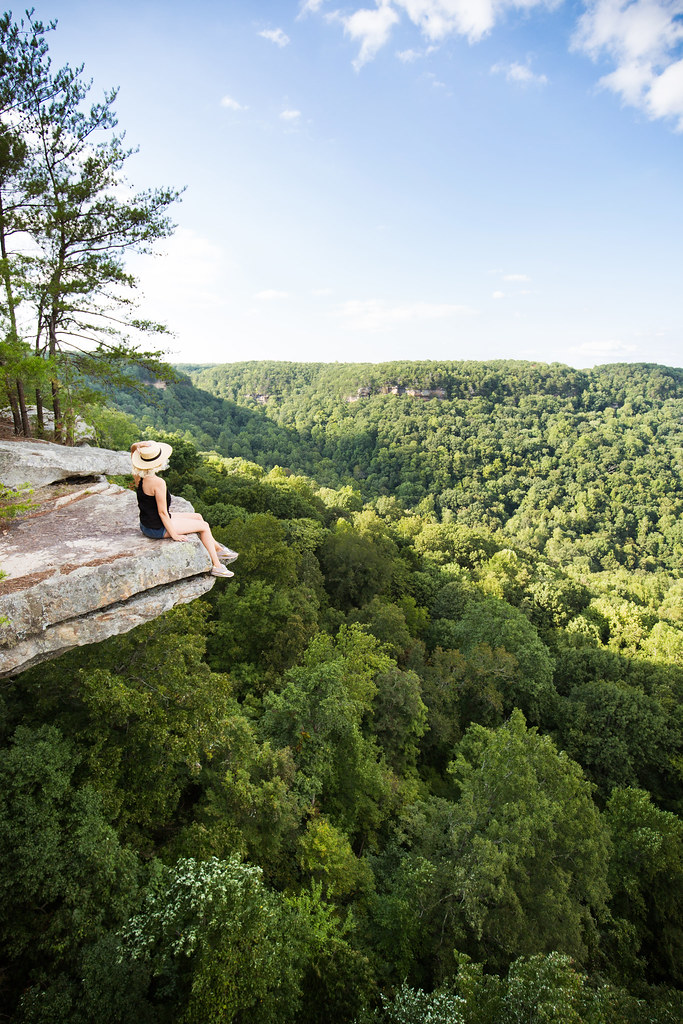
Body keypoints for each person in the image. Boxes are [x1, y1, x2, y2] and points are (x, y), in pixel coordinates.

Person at [130, 440, 236, 578]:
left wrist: (137, 447)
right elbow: (162, 512)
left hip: (146, 524)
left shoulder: (139, 477)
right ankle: (216, 566)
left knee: (197, 516)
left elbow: (132, 451)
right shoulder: (158, 482)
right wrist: (174, 534)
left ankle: (218, 549)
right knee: (204, 526)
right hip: (157, 528)